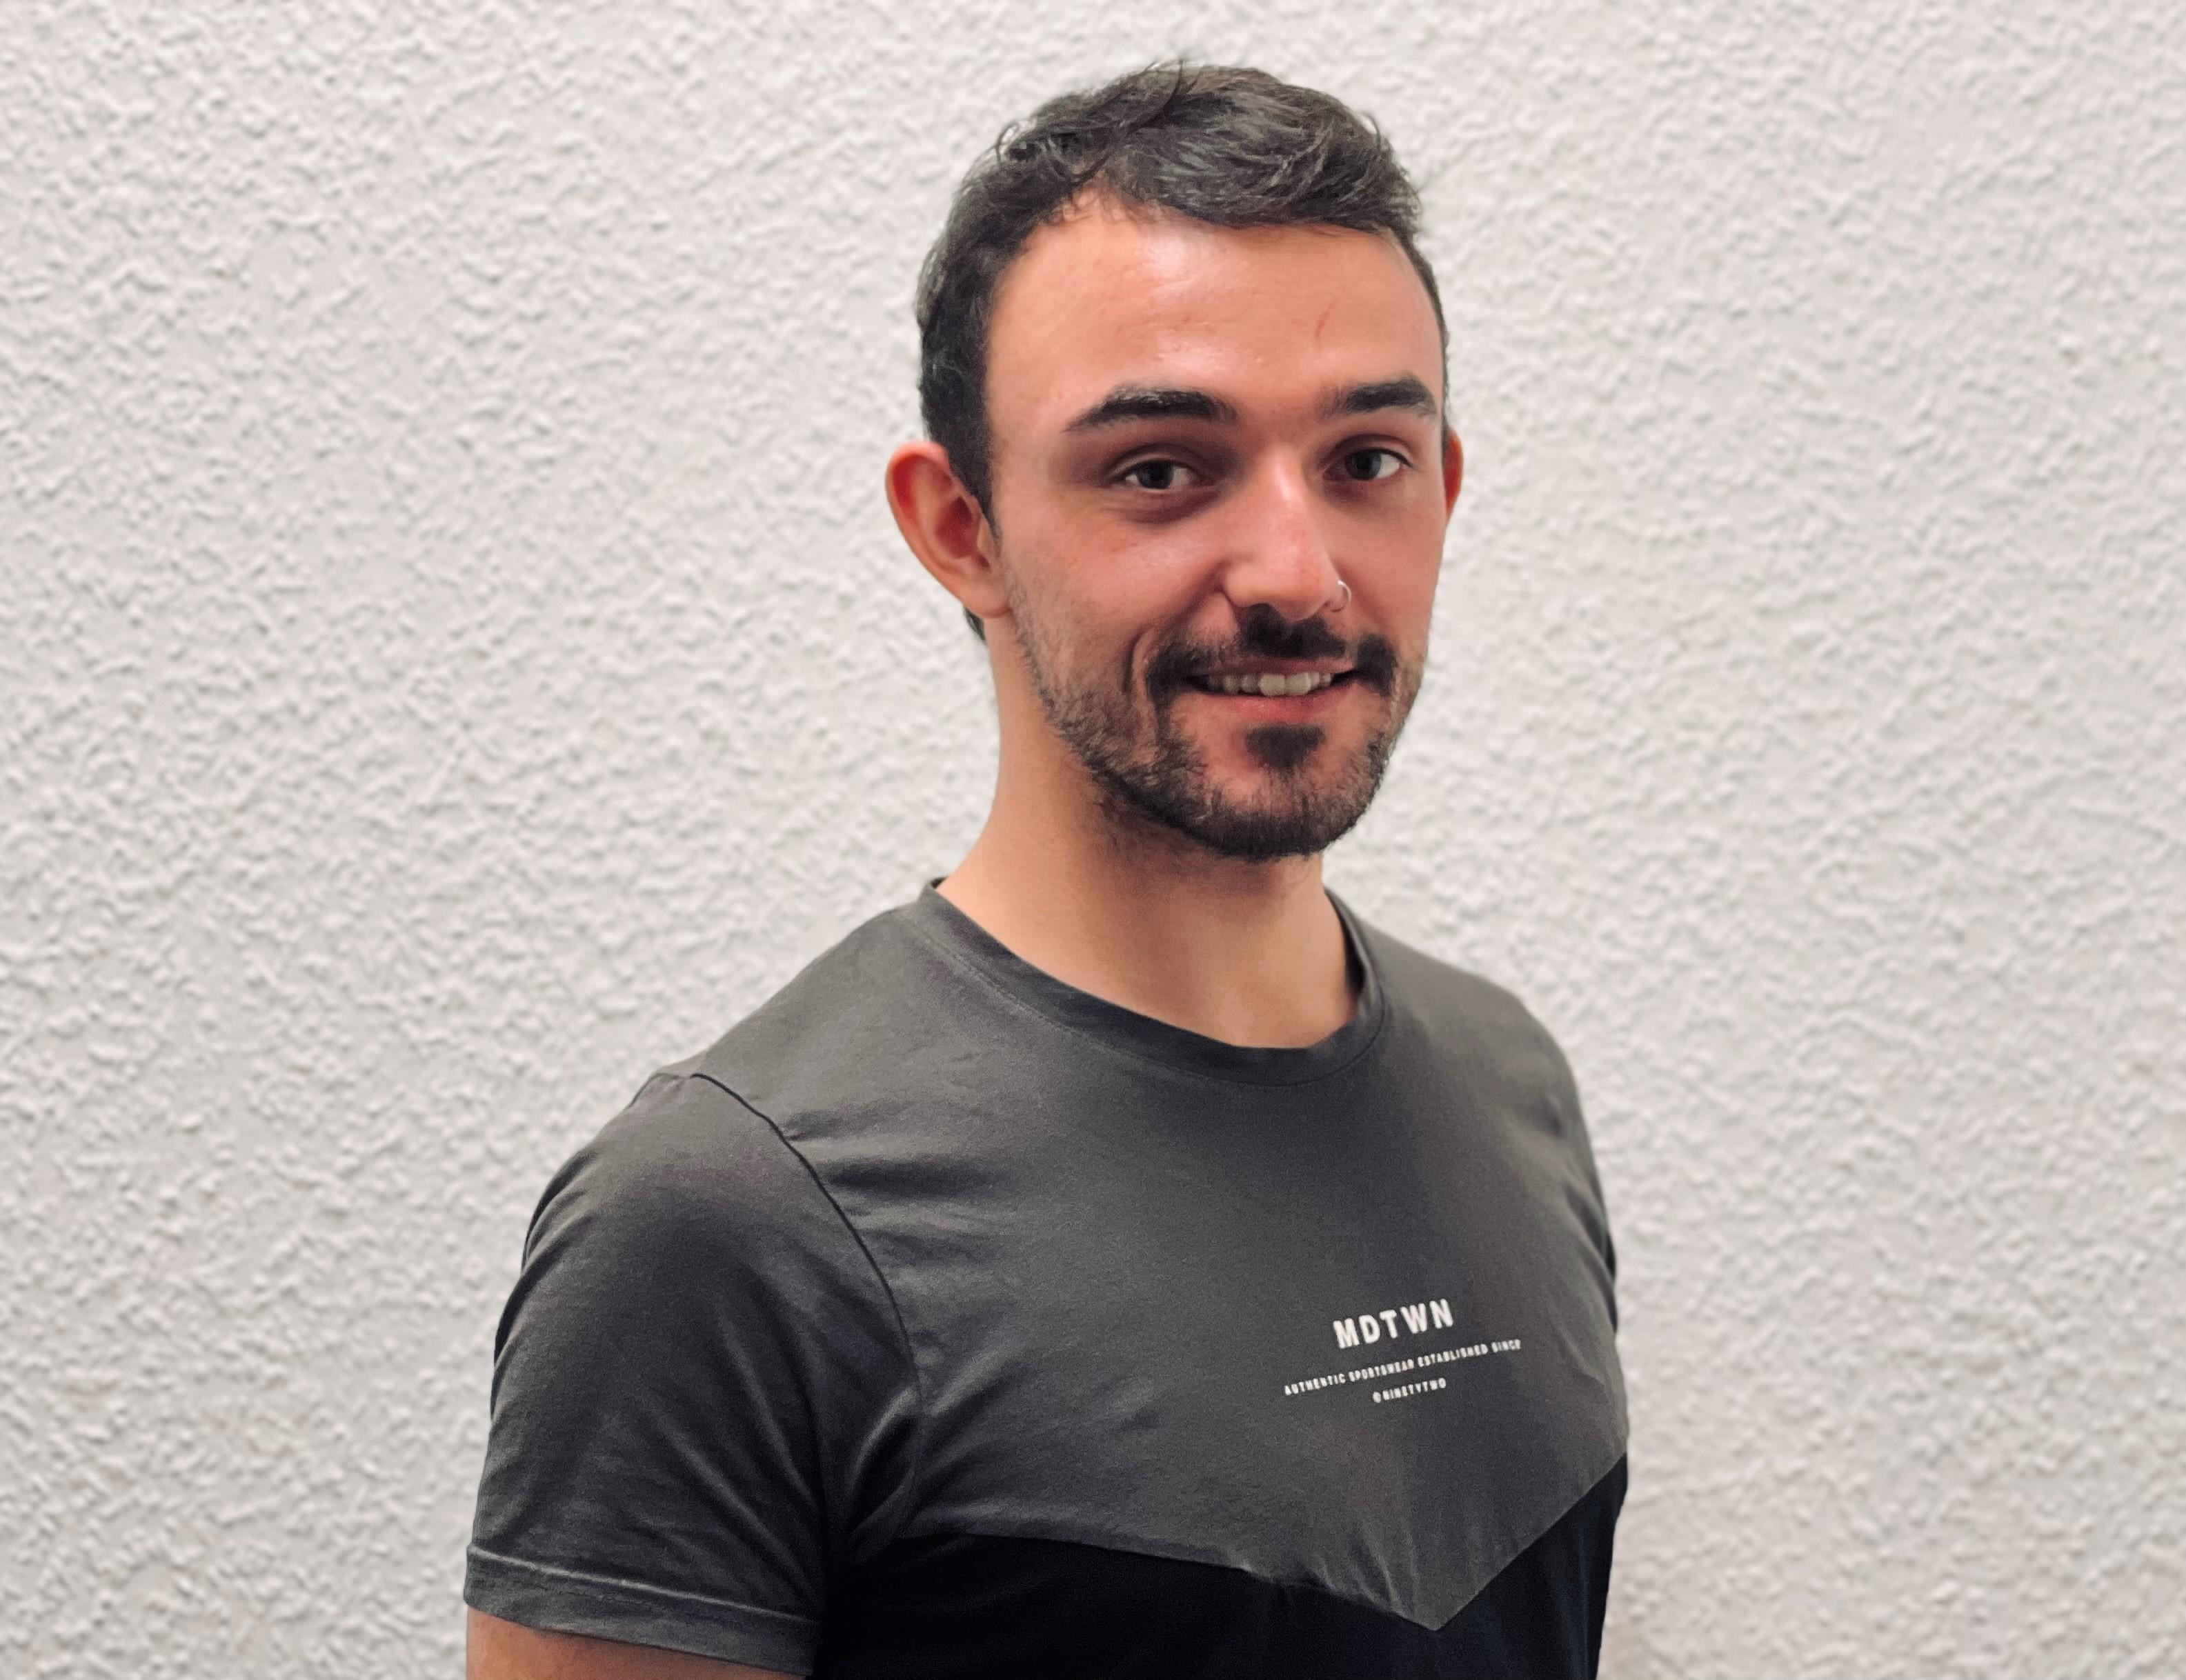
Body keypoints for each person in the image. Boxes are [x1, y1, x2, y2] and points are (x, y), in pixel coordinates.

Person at [463, 60, 1627, 1680]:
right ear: (961, 529)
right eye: (1160, 469)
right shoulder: (726, 1223)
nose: (1296, 575)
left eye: (1366, 459)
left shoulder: (1510, 1085)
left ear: (1443, 487)